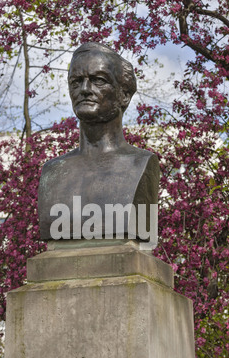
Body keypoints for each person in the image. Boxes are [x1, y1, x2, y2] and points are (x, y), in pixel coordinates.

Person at [38, 42, 159, 241]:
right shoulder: (53, 171)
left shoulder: (141, 165)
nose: (85, 89)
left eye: (98, 80)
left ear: (124, 95)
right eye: (76, 82)